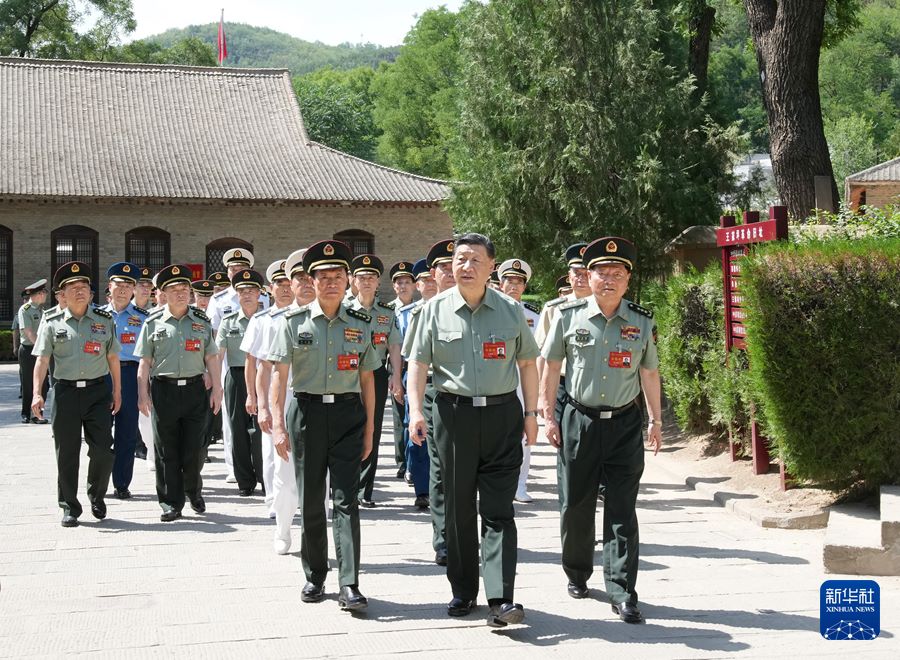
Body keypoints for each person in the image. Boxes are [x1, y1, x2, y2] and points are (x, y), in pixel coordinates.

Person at [407, 233, 539, 627]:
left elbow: (528, 364)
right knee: (458, 509)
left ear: (491, 267)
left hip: (502, 416)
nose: (465, 267)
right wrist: (416, 410)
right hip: (452, 416)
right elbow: (417, 364)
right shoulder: (433, 310)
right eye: (459, 259)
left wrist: (531, 414)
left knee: (499, 509)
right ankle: (463, 591)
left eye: (474, 260)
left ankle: (501, 598)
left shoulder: (511, 311)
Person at [540, 236, 662, 624]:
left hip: (625, 422)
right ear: (587, 277)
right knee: (576, 503)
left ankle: (622, 590)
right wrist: (547, 412)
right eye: (601, 272)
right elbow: (550, 366)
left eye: (617, 273)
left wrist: (656, 420)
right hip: (580, 420)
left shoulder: (641, 321)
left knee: (623, 508)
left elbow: (650, 372)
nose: (609, 279)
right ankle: (577, 571)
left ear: (628, 280)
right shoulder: (567, 316)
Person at [268, 240, 380, 612]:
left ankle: (350, 583)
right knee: (312, 500)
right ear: (311, 282)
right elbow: (278, 378)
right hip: (307, 415)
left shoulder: (360, 324)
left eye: (337, 276)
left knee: (347, 500)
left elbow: (368, 381)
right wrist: (280, 426)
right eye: (323, 277)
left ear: (347, 281)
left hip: (348, 415)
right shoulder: (292, 323)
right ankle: (315, 575)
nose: (331, 283)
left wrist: (369, 432)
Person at [31, 262, 121, 527]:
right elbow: (42, 360)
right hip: (65, 393)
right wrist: (37, 393)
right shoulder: (51, 321)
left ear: (92, 294)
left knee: (104, 450)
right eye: (73, 287)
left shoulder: (104, 321)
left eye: (84, 287)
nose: (80, 291)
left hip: (97, 392)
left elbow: (113, 357)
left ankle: (97, 495)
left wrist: (117, 391)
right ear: (62, 294)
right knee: (66, 453)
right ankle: (69, 506)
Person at [135, 265, 223, 522]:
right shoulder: (152, 322)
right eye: (174, 290)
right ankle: (170, 502)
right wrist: (143, 393)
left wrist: (217, 389)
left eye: (184, 289)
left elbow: (211, 356)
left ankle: (193, 491)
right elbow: (145, 362)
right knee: (166, 450)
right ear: (163, 293)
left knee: (195, 448)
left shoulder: (201, 321)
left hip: (195, 390)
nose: (181, 293)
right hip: (164, 390)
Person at [243, 253, 308, 552]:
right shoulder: (275, 321)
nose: (306, 284)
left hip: (322, 402)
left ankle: (313, 534)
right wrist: (265, 407)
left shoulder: (337, 317)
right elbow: (263, 368)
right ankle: (283, 528)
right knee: (284, 473)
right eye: (300, 279)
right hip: (287, 400)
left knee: (320, 476)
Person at [403, 240, 456, 566]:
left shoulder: (487, 306)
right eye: (444, 269)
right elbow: (416, 366)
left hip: (476, 398)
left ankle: (465, 532)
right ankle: (443, 540)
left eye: (455, 266)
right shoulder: (424, 312)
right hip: (438, 393)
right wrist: (417, 408)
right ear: (433, 274)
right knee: (440, 471)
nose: (451, 274)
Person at [207, 249, 269, 485]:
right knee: (236, 426)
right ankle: (244, 479)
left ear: (259, 294)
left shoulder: (266, 318)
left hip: (261, 375)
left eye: (251, 291)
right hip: (234, 374)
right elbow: (218, 351)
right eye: (242, 291)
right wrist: (214, 380)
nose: (246, 295)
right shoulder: (228, 319)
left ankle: (264, 476)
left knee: (262, 427)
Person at [349, 254, 403, 508]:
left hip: (378, 374)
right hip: (347, 373)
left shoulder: (386, 313)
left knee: (374, 426)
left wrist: (395, 376)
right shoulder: (344, 308)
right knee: (347, 426)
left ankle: (364, 489)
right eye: (362, 277)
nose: (367, 281)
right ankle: (345, 484)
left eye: (371, 277)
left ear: (378, 281)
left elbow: (394, 345)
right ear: (353, 281)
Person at [102, 262, 149, 500]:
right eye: (118, 284)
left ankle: (121, 483)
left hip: (130, 374)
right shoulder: (96, 315)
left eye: (128, 285)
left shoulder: (143, 318)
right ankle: (99, 482)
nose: (122, 289)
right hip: (102, 376)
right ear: (109, 287)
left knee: (127, 431)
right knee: (99, 432)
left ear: (133, 289)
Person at [497, 258, 541, 503]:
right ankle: (500, 482)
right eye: (509, 281)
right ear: (500, 284)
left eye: (518, 282)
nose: (513, 286)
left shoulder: (532, 315)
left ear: (524, 286)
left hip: (524, 380)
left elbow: (541, 353)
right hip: (498, 378)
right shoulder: (491, 310)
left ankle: (520, 484)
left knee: (526, 434)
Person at [396, 258, 436, 509]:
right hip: (417, 376)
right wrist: (398, 381)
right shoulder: (408, 313)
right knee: (417, 434)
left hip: (446, 381)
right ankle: (422, 489)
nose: (430, 284)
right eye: (424, 281)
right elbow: (400, 351)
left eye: (432, 279)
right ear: (417, 286)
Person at [387, 260, 415, 480]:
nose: (403, 286)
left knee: (414, 413)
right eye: (399, 283)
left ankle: (414, 460)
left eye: (407, 282)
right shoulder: (387, 311)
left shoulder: (420, 309)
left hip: (416, 366)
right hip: (397, 366)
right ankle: (402, 461)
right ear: (394, 286)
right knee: (399, 417)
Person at [17, 279, 50, 423]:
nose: (46, 295)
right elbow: (29, 333)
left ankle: (38, 413)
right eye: (44, 293)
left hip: (41, 351)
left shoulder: (42, 311)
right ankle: (26, 413)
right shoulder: (25, 310)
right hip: (29, 350)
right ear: (38, 294)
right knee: (28, 383)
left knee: (44, 384)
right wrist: (42, 349)